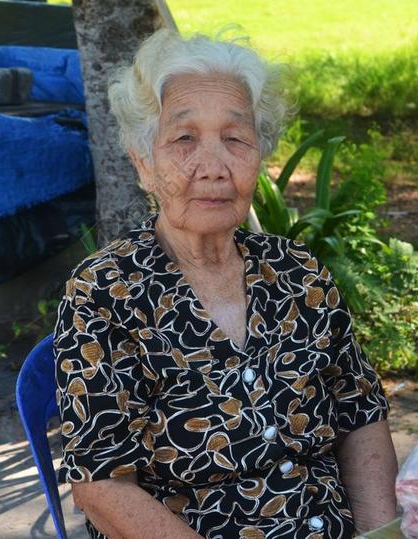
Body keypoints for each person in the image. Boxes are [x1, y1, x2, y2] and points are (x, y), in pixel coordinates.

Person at [54, 29, 398, 538]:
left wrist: (379, 535)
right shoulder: (104, 294)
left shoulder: (298, 274)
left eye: (235, 139)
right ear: (144, 163)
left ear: (259, 156)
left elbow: (360, 414)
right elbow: (102, 483)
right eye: (184, 139)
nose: (214, 167)